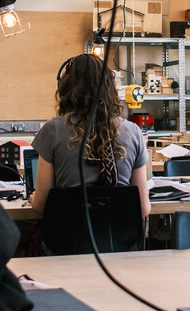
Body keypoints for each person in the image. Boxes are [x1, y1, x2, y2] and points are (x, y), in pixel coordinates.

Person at [30, 53, 150, 218]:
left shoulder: (52, 130)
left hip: (69, 240)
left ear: (65, 87)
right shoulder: (133, 132)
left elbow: (41, 206)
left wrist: (35, 198)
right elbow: (142, 209)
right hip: (117, 241)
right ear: (110, 87)